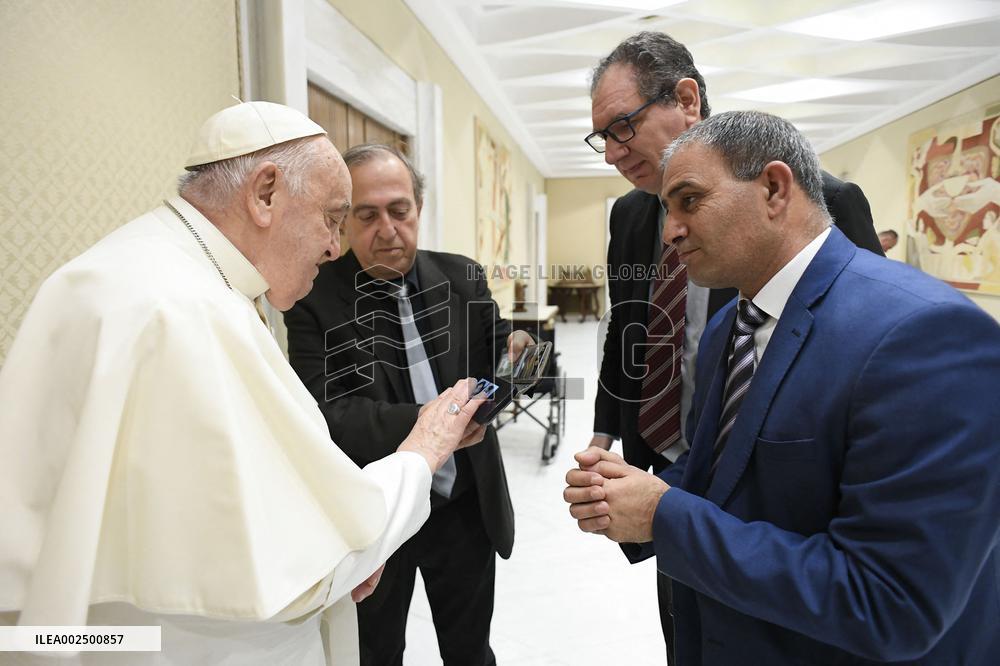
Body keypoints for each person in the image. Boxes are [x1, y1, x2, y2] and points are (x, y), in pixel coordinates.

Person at [0, 102, 489, 666]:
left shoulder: (127, 271)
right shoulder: (191, 311)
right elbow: (294, 563)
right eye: (334, 218)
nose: (336, 247)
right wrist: (423, 450)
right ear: (265, 194)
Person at [565, 110, 1000, 665]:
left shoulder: (924, 333)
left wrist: (663, 515)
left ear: (774, 188)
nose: (670, 231)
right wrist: (626, 493)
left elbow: (891, 603)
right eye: (666, 210)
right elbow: (720, 471)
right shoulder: (735, 322)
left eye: (689, 201)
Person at [584, 32, 885, 659]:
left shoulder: (824, 201)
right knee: (687, 629)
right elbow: (627, 325)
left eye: (622, 128)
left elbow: (867, 340)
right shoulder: (629, 217)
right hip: (668, 463)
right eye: (602, 138)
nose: (613, 153)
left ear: (687, 99)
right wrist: (606, 429)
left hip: (772, 476)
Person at [284, 144, 529, 666]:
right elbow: (326, 415)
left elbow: (499, 355)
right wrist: (431, 424)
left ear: (419, 209)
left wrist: (512, 370)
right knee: (375, 654)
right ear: (343, 222)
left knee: (470, 651)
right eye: (366, 215)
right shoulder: (313, 298)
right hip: (376, 515)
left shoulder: (462, 277)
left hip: (464, 505)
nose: (387, 228)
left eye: (400, 210)